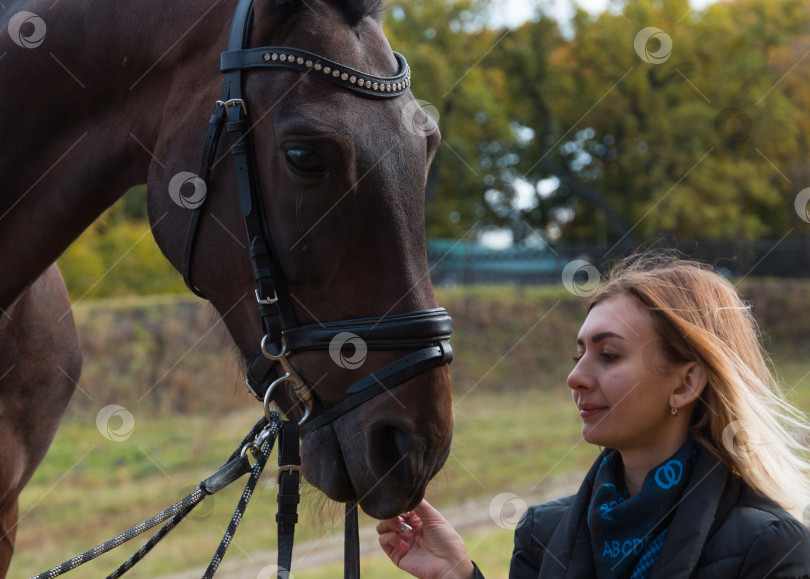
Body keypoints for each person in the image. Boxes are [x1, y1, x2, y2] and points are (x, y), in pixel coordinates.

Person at [377, 253, 810, 578]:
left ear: (685, 383)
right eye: (578, 354)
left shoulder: (769, 547)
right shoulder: (540, 534)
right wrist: (458, 574)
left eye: (608, 355)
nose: (575, 377)